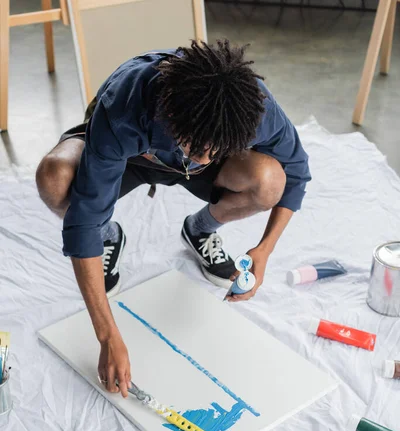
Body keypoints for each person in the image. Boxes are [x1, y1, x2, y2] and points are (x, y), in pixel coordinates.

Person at [36, 39, 311, 399]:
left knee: (269, 179)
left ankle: (200, 229)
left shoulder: (253, 107)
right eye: (196, 145)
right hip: (130, 158)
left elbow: (297, 174)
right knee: (55, 178)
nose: (205, 156)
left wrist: (265, 249)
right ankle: (111, 235)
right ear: (169, 116)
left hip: (184, 155)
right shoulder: (125, 108)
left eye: (216, 148)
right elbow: (82, 220)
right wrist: (107, 335)